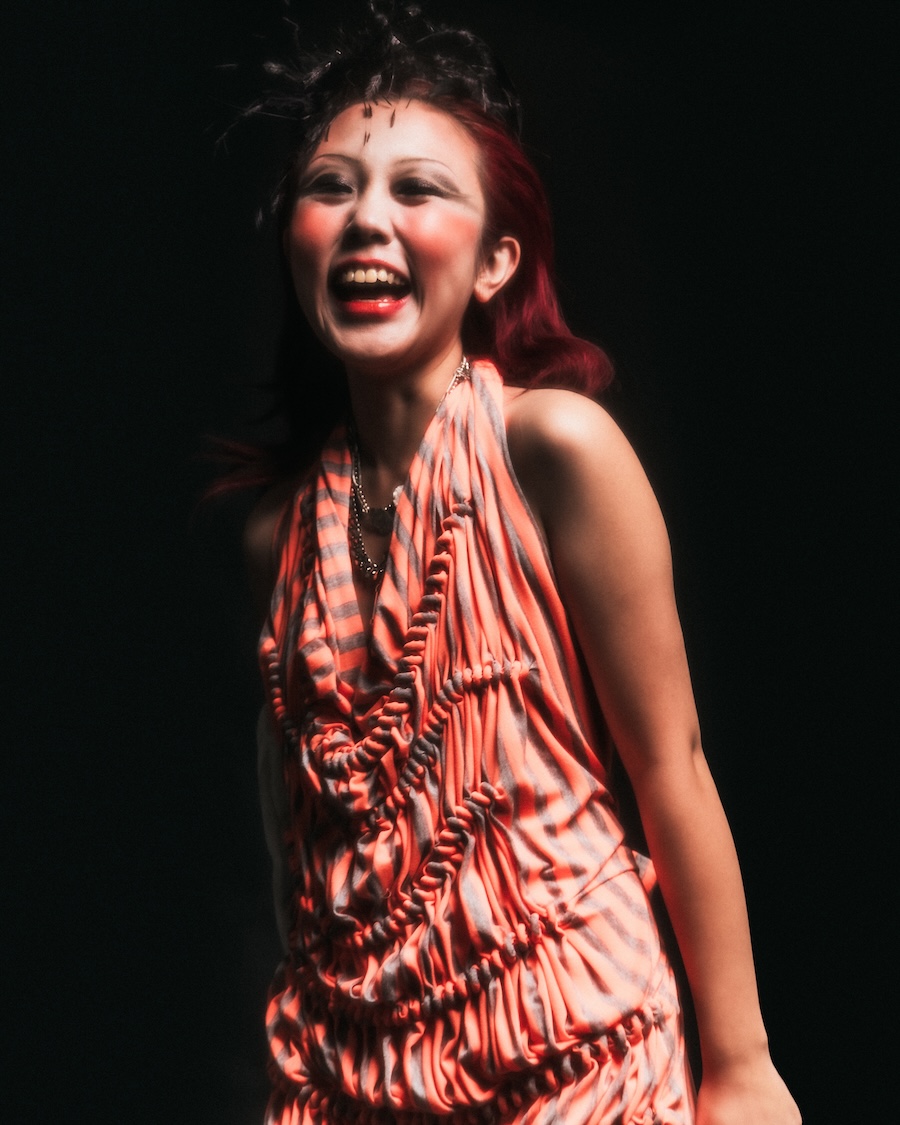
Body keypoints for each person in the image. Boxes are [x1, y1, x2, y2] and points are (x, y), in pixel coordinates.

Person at [234, 4, 802, 1122]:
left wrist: (742, 1067)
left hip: (583, 1062)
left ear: (497, 260)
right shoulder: (280, 536)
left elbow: (673, 766)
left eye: (418, 189)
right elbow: (300, 852)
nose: (367, 218)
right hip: (359, 1081)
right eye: (333, 187)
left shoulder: (556, 449)